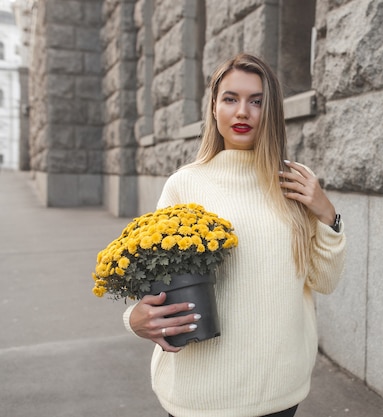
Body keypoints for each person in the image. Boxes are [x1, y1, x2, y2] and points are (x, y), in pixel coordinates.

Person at [122, 53, 346, 417]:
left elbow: (325, 280)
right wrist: (135, 319)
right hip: (200, 394)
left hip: (278, 388)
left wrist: (327, 215)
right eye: (230, 99)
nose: (243, 112)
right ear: (213, 107)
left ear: (270, 111)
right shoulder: (185, 184)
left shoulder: (296, 182)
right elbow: (152, 285)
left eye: (256, 102)